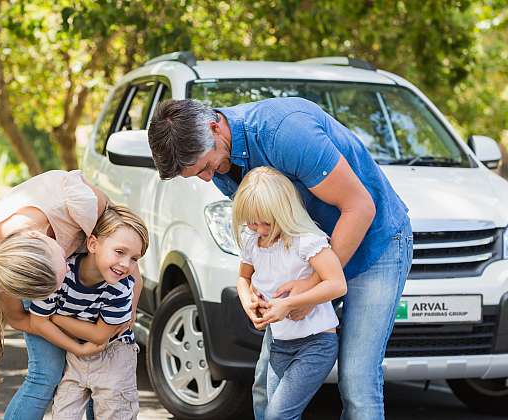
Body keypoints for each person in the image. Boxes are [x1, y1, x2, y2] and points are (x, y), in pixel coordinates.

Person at [148, 97, 413, 420]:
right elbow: (269, 234)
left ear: (214, 127)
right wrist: (253, 291)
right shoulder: (221, 161)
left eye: (204, 166)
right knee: (263, 382)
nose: (207, 178)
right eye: (197, 174)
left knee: (357, 380)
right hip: (311, 261)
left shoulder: (285, 133)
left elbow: (360, 208)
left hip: (374, 244)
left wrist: (309, 289)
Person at [0, 169, 108, 418]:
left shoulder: (75, 201)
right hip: (38, 280)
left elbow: (123, 242)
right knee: (47, 373)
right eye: (53, 290)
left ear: (38, 237)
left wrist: (122, 317)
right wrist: (72, 340)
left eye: (62, 257)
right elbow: (18, 318)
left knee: (97, 374)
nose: (61, 291)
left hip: (94, 277)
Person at [233, 167, 346, 420]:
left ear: (284, 212)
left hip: (316, 343)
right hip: (280, 343)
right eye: (252, 221)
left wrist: (292, 303)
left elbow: (337, 284)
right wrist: (248, 302)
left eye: (266, 222)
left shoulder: (305, 240)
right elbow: (243, 278)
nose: (259, 229)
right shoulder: (252, 240)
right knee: (272, 412)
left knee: (278, 415)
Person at [29, 204, 148, 420]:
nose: (125, 264)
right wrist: (76, 347)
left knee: (114, 413)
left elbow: (100, 336)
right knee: (63, 413)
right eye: (120, 252)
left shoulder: (122, 286)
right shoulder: (60, 274)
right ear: (93, 244)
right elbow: (37, 322)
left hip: (115, 354)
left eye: (134, 259)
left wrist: (55, 316)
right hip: (75, 355)